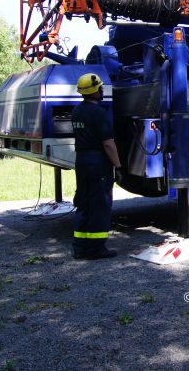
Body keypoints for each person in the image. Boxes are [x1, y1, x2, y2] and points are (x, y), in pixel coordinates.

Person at [71, 73, 123, 260]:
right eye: (100, 87)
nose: (102, 89)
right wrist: (118, 166)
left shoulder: (76, 111)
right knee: (100, 204)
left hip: (82, 161)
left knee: (84, 202)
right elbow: (108, 144)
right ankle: (96, 248)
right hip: (97, 163)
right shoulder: (99, 113)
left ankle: (79, 247)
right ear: (94, 91)